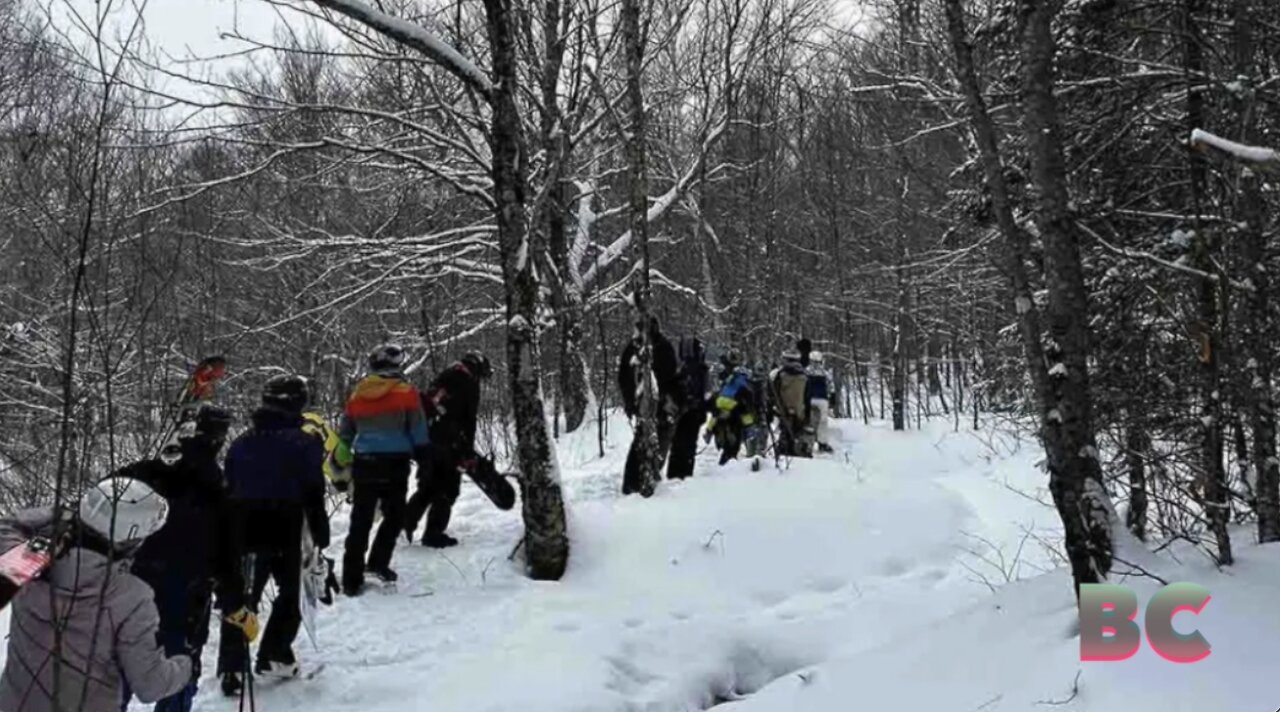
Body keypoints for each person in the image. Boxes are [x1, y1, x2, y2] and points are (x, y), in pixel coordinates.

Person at [0, 477, 196, 712]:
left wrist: (62, 515)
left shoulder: (29, 563)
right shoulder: (131, 597)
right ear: (130, 542)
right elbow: (150, 686)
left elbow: (9, 524)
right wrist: (184, 665)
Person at [114, 405, 239, 712]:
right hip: (184, 599)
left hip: (131, 591)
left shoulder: (138, 472)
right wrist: (234, 599)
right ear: (217, 440)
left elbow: (96, 514)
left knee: (117, 669)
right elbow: (228, 553)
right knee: (178, 671)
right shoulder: (217, 487)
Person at [218, 374, 329, 690]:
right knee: (292, 591)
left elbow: (229, 486)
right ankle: (274, 654)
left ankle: (232, 667)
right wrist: (320, 535)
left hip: (244, 525)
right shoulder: (304, 443)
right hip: (287, 525)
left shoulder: (241, 442)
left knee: (245, 593)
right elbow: (313, 492)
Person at [335, 344, 430, 594]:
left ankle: (351, 579)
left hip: (364, 463)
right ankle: (378, 563)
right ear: (396, 366)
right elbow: (418, 431)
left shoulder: (357, 394)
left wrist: (340, 462)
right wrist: (425, 459)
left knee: (360, 520)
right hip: (395, 463)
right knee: (395, 516)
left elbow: (345, 433)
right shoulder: (407, 393)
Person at [404, 351, 493, 548]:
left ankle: (405, 523)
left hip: (426, 441)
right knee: (448, 489)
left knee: (427, 487)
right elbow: (469, 421)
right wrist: (467, 452)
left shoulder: (444, 376)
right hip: (449, 444)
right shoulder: (468, 383)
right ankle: (433, 534)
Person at [618, 317, 681, 495]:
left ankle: (643, 483)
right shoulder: (635, 349)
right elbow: (624, 377)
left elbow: (671, 378)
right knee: (646, 444)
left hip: (660, 406)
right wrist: (630, 402)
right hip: (647, 407)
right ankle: (635, 486)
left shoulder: (661, 347)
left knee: (654, 445)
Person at [666, 335, 710, 479]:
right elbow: (691, 392)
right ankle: (681, 475)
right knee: (685, 446)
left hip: (688, 413)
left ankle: (678, 474)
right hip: (689, 413)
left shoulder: (689, 368)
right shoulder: (691, 369)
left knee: (680, 446)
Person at [705, 351, 759, 466]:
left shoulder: (728, 379)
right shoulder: (743, 382)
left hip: (720, 410)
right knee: (733, 447)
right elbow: (748, 404)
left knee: (727, 445)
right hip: (734, 414)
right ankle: (750, 433)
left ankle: (709, 432)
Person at [771, 351, 813, 457]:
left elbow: (774, 391)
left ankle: (785, 449)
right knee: (798, 430)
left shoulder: (780, 374)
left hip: (783, 407)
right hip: (800, 408)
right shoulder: (805, 375)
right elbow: (808, 395)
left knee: (785, 429)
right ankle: (797, 449)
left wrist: (775, 406)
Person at [807, 351, 835, 454]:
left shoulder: (806, 372)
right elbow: (831, 388)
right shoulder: (825, 373)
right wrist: (832, 401)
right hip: (822, 400)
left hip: (809, 400)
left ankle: (808, 442)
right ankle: (822, 443)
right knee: (822, 422)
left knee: (808, 421)